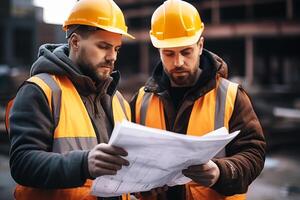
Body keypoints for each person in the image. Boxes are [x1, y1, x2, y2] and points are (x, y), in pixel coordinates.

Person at [130, 0, 266, 199]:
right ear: (159, 51)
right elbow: (128, 158)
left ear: (200, 45)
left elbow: (254, 153)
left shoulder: (231, 96)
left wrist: (221, 172)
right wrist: (141, 185)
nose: (178, 62)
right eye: (169, 54)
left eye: (186, 52)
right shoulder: (141, 99)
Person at [6, 0, 134, 199]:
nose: (112, 57)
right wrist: (83, 165)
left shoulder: (118, 100)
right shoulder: (41, 90)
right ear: (75, 42)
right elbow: (22, 163)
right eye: (103, 46)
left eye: (116, 49)